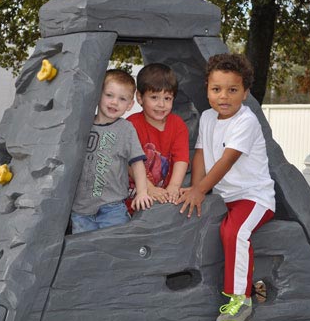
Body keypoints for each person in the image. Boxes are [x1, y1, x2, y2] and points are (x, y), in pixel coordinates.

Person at [176, 53, 276, 321]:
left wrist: (200, 190)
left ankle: (240, 301)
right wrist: (198, 188)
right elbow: (200, 154)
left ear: (245, 93)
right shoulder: (208, 118)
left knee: (234, 232)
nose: (224, 96)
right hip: (223, 197)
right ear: (207, 90)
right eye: (216, 89)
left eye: (233, 90)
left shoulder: (246, 121)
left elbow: (226, 161)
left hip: (253, 197)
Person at [71, 69, 153, 234]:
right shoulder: (83, 124)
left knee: (116, 251)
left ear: (130, 105)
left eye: (122, 99)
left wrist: (142, 192)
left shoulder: (125, 129)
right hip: (80, 209)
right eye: (109, 95)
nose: (114, 102)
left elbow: (137, 164)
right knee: (82, 254)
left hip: (112, 207)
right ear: (98, 94)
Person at [127, 63, 189, 207]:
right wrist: (149, 188)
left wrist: (174, 186)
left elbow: (181, 159)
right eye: (154, 97)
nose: (161, 104)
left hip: (162, 195)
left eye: (167, 98)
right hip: (131, 197)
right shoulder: (131, 125)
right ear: (140, 98)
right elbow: (128, 164)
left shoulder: (178, 125)